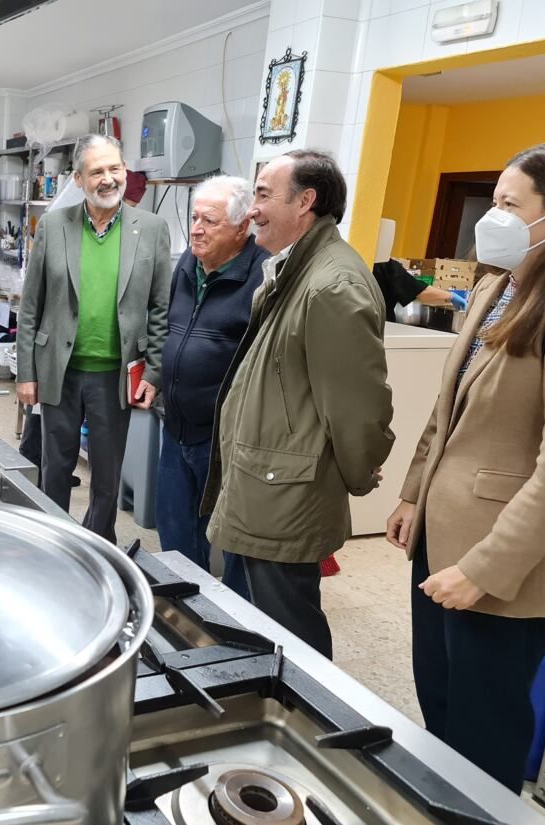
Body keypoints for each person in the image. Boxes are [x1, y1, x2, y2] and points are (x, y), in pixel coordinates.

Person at [385, 142, 545, 793]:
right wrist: (413, 496)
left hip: (499, 565)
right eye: (493, 202)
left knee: (484, 726)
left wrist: (484, 570)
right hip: (442, 538)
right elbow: (447, 408)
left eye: (511, 206)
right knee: (441, 700)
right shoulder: (497, 286)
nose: (493, 219)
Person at [201, 149, 394, 658]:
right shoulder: (295, 268)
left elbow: (358, 405)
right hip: (267, 477)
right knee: (264, 616)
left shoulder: (332, 284)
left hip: (287, 488)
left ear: (305, 201)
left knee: (292, 627)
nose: (252, 209)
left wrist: (358, 472)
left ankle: (312, 725)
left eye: (263, 194)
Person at [16, 134, 170, 542]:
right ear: (80, 179)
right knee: (55, 466)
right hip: (58, 371)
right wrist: (25, 373)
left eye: (115, 169)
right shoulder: (53, 225)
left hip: (114, 373)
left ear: (125, 172)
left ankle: (99, 544)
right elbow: (31, 306)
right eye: (97, 171)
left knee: (106, 472)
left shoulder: (151, 229)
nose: (108, 179)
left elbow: (160, 308)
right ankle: (55, 541)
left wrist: (153, 372)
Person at [155, 175, 266, 572]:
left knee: (234, 542)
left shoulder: (263, 276)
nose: (197, 229)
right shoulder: (189, 262)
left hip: (225, 437)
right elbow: (172, 328)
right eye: (195, 218)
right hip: (176, 424)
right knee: (174, 530)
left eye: (210, 221)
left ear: (241, 228)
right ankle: (183, 617)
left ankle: (236, 627)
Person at [372, 257, 466, 322]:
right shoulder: (386, 265)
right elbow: (422, 292)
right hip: (381, 325)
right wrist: (452, 296)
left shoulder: (361, 263)